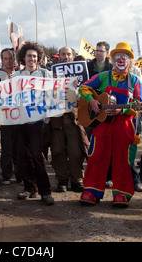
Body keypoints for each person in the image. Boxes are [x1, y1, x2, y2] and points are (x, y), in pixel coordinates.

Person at [78, 42, 142, 208]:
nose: (121, 59)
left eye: (124, 57)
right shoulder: (103, 76)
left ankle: (122, 192)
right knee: (96, 156)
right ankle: (91, 190)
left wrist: (121, 111)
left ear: (129, 61)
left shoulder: (135, 80)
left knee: (122, 158)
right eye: (117, 57)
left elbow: (140, 105)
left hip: (125, 125)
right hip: (103, 124)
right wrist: (92, 101)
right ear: (112, 59)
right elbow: (84, 87)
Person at [13, 41, 54, 205]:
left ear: (39, 58)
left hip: (38, 121)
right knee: (23, 155)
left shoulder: (45, 74)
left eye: (35, 56)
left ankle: (46, 191)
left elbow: (53, 94)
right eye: (29, 55)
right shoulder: (16, 76)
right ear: (24, 57)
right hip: (20, 120)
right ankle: (29, 188)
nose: (32, 58)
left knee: (37, 155)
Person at [50, 46, 89, 192]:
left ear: (73, 56)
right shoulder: (50, 74)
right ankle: (61, 180)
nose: (66, 57)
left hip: (73, 119)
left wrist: (77, 88)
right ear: (58, 56)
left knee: (76, 150)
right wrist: (51, 84)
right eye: (63, 54)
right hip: (56, 119)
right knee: (57, 150)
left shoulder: (81, 75)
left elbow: (84, 97)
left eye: (68, 54)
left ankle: (77, 179)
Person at [0, 48, 20, 185]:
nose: (8, 61)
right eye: (5, 58)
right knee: (6, 146)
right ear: (2, 60)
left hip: (19, 114)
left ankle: (19, 174)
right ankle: (6, 175)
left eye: (10, 58)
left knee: (19, 146)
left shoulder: (20, 74)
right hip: (4, 114)